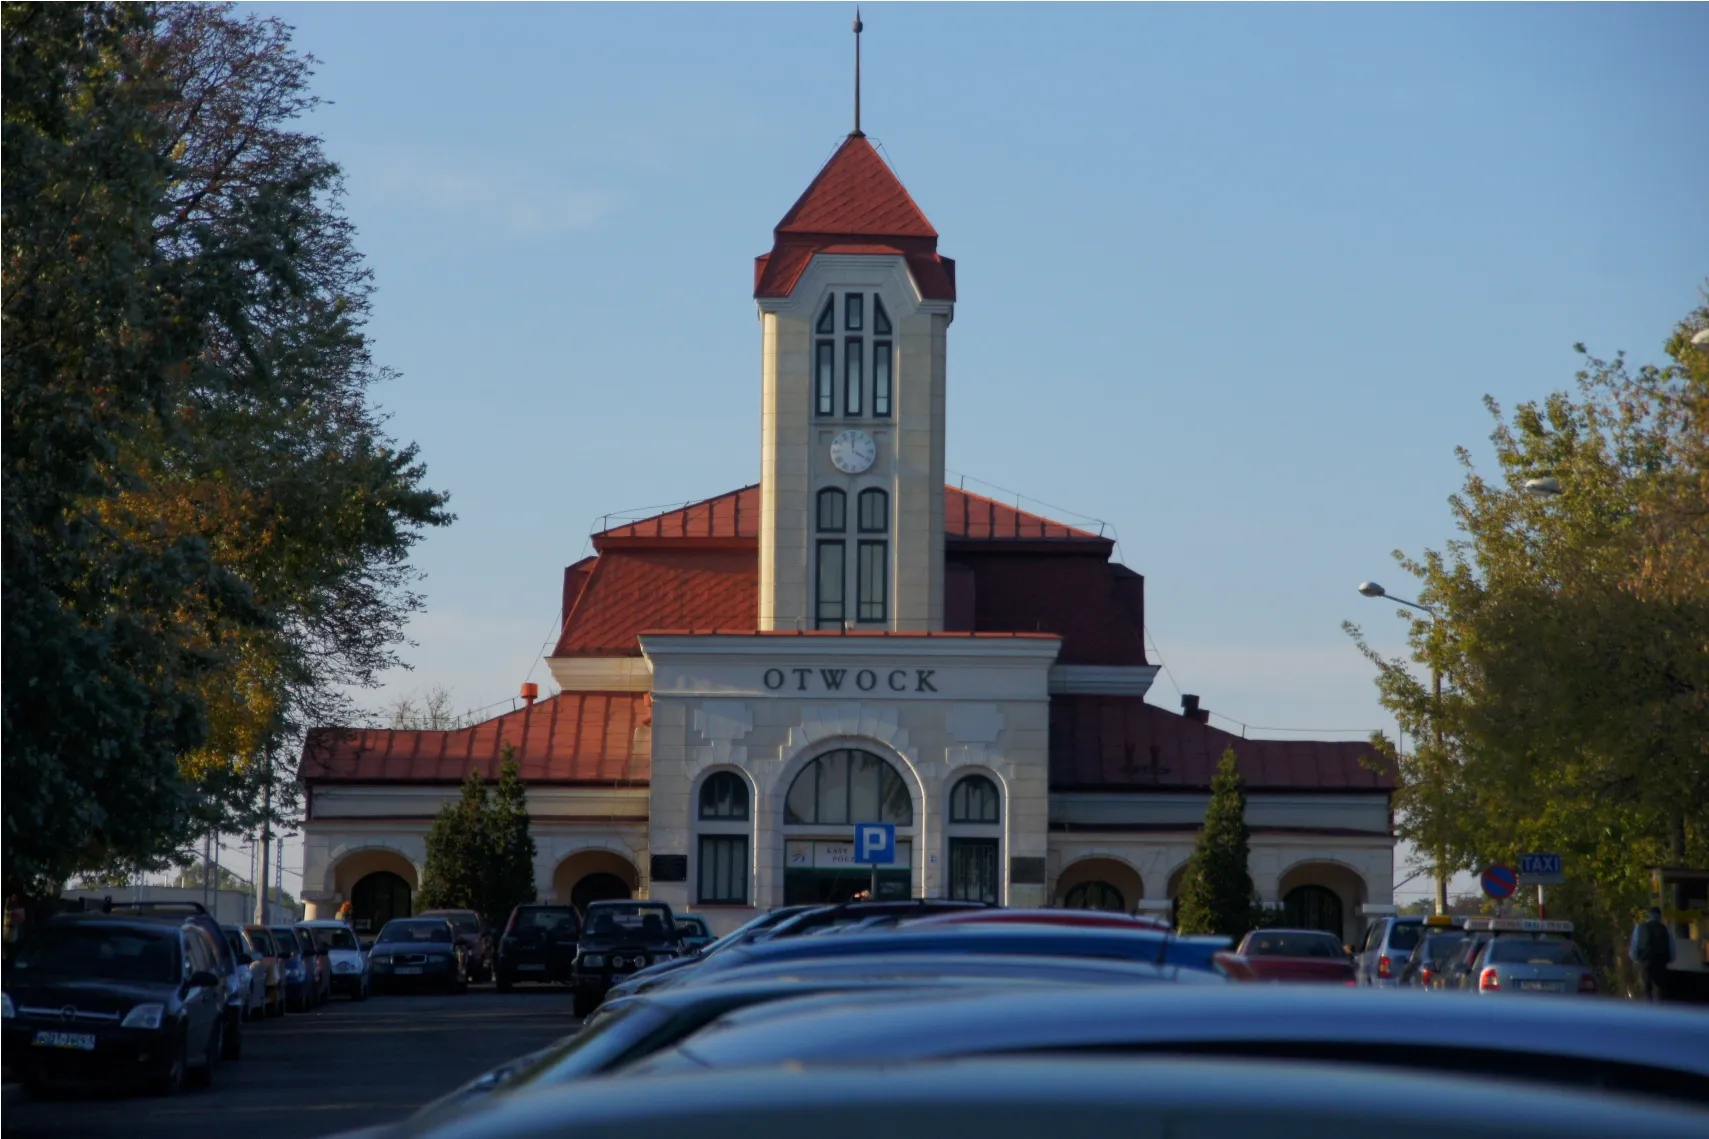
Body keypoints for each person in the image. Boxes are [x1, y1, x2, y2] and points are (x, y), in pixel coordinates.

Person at [1628, 906, 1676, 1001]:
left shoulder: (1640, 928)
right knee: (1660, 993)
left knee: (1646, 991)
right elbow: (1672, 952)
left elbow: (1634, 948)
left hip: (1645, 964)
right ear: (1660, 916)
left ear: (1648, 916)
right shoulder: (1665, 930)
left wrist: (1636, 961)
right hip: (1661, 965)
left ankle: (1647, 1009)